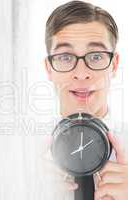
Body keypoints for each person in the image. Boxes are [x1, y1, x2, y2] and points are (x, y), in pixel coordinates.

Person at [43, 1, 128, 199]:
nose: (81, 74)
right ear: (49, 68)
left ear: (114, 65)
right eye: (65, 57)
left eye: (96, 56)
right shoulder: (17, 162)